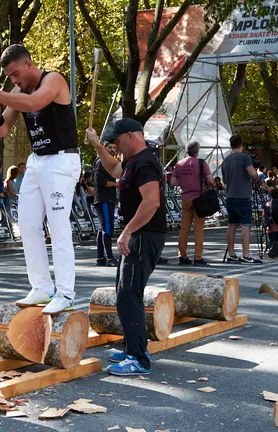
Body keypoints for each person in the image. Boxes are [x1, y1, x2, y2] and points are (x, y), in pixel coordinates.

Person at [0, 44, 81, 314]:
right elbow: (5, 129)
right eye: (10, 77)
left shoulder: (53, 80)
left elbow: (35, 103)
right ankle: (42, 287)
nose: (15, 81)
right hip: (37, 160)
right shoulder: (18, 91)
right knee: (28, 224)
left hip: (61, 159)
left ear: (29, 64)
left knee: (57, 225)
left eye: (16, 74)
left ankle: (65, 292)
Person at [86, 118, 167, 376]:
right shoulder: (133, 161)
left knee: (129, 295)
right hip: (138, 236)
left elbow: (152, 202)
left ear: (131, 136)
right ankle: (133, 347)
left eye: (118, 141)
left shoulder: (144, 162)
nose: (116, 147)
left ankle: (138, 358)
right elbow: (115, 169)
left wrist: (128, 231)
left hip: (143, 236)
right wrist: (97, 144)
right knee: (125, 293)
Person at [170, 141, 214, 267]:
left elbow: (173, 182)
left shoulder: (179, 164)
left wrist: (183, 183)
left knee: (184, 228)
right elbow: (210, 180)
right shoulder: (201, 163)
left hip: (185, 198)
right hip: (199, 198)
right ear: (197, 151)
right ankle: (198, 257)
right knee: (198, 229)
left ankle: (182, 255)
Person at [222, 134, 262, 264]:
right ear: (241, 145)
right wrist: (256, 176)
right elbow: (252, 173)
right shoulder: (245, 157)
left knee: (232, 224)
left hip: (230, 195)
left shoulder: (226, 160)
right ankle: (246, 254)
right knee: (246, 224)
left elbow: (224, 180)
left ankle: (232, 253)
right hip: (243, 195)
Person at [94, 142, 119, 267]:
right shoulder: (101, 162)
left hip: (109, 199)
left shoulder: (111, 163)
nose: (112, 150)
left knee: (103, 229)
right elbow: (99, 181)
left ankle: (100, 257)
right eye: (110, 147)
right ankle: (109, 257)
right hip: (103, 199)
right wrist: (116, 184)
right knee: (107, 229)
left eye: (114, 148)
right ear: (105, 148)